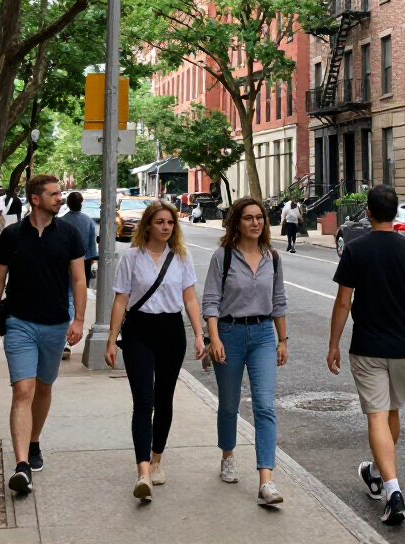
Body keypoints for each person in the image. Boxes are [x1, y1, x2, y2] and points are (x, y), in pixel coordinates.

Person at [326, 184, 405, 527]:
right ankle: (377, 473)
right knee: (391, 412)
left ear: (368, 212)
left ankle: (393, 491)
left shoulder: (355, 249)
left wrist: (333, 343)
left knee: (377, 416)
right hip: (404, 348)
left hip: (367, 347)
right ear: (395, 214)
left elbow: (343, 302)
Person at [0, 174, 86, 496]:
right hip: (19, 323)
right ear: (36, 199)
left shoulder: (69, 233)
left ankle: (34, 440)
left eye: (60, 193)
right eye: (54, 194)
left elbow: (79, 281)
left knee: (43, 387)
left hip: (56, 324)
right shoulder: (12, 235)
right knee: (23, 391)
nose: (60, 198)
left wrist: (79, 320)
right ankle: (22, 465)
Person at [104, 202, 205, 501]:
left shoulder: (182, 258)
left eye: (170, 223)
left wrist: (200, 335)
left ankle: (157, 458)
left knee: (164, 400)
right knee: (143, 401)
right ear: (147, 225)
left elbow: (190, 300)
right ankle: (143, 471)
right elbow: (121, 300)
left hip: (171, 332)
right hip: (138, 332)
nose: (165, 227)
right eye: (160, 222)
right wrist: (111, 339)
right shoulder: (132, 257)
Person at [202, 197, 288, 508]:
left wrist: (283, 339)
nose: (255, 223)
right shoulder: (222, 256)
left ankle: (266, 480)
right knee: (229, 403)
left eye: (260, 218)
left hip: (264, 334)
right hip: (229, 333)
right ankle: (227, 454)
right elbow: (210, 301)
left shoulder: (273, 257)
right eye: (249, 218)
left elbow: (279, 301)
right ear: (237, 222)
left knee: (265, 405)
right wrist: (214, 339)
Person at [59, 191, 100, 360]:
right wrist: (93, 262)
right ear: (81, 203)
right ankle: (71, 331)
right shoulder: (88, 222)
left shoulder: (61, 221)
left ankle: (64, 339)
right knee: (78, 295)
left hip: (63, 263)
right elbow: (92, 247)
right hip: (82, 262)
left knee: (67, 295)